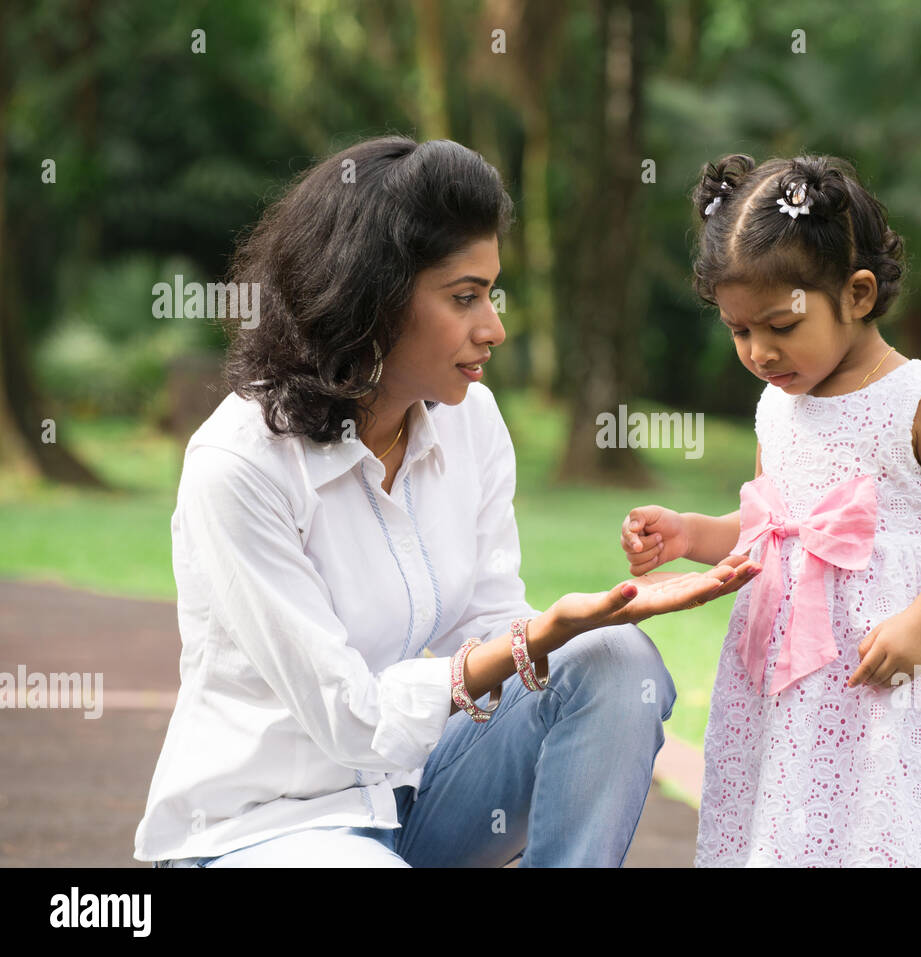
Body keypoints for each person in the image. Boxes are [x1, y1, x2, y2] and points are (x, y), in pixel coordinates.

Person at [133, 136, 761, 868]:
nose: (492, 326)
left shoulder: (471, 422)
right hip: (269, 826)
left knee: (617, 659)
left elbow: (491, 625)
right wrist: (535, 638)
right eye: (464, 297)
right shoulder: (240, 464)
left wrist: (561, 631)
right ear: (369, 296)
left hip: (419, 797)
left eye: (490, 294)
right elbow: (347, 719)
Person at [619, 153, 921, 867]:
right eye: (738, 331)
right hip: (797, 682)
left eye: (780, 326)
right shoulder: (776, 409)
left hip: (899, 665)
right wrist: (691, 533)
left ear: (856, 294)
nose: (759, 351)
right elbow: (772, 526)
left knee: (895, 822)